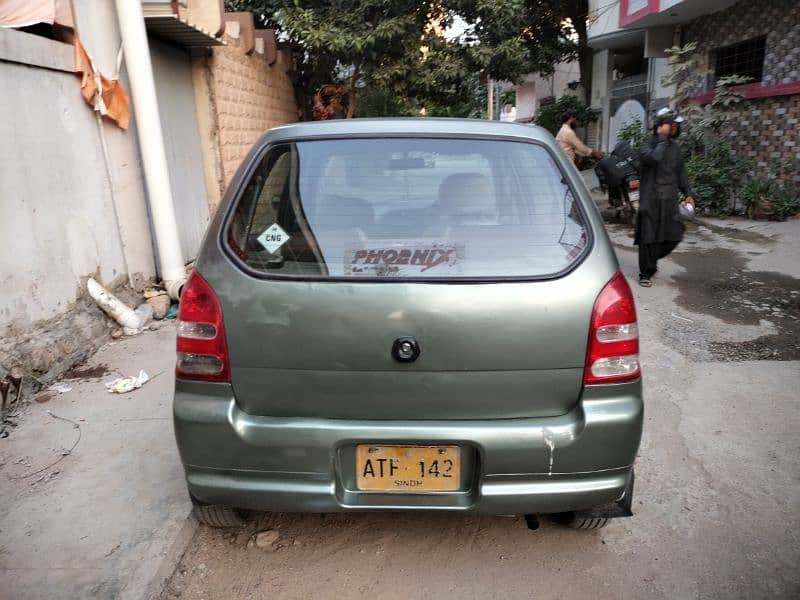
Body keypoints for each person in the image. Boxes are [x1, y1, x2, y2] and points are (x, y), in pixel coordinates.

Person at [634, 110, 695, 287]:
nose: (674, 129)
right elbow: (654, 158)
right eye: (671, 125)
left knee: (674, 234)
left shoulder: (675, 148)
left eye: (676, 126)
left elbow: (681, 173)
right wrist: (661, 138)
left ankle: (651, 262)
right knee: (648, 237)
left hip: (669, 199)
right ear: (660, 127)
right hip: (650, 198)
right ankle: (645, 272)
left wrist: (688, 194)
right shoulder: (647, 144)